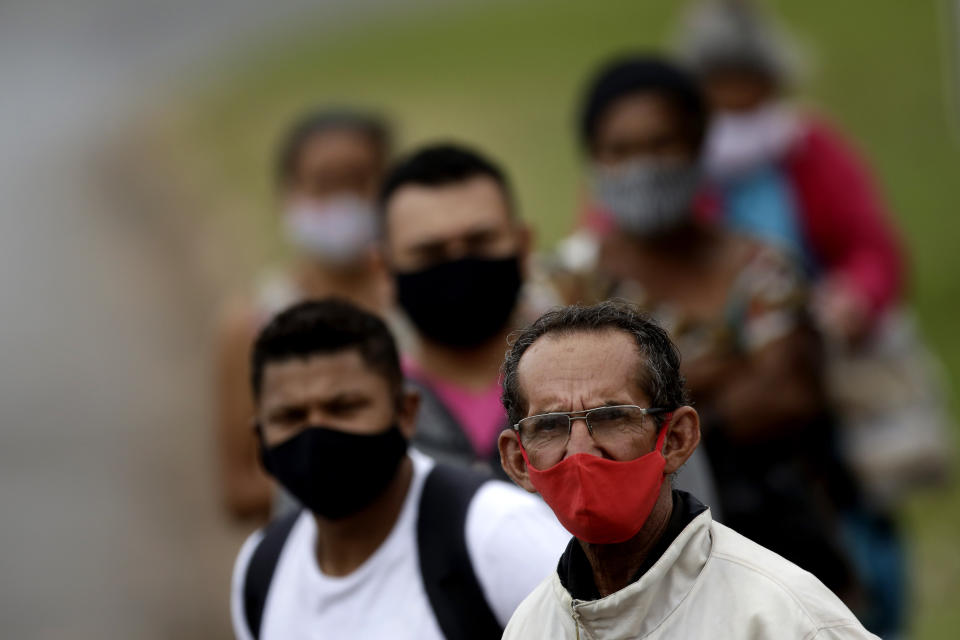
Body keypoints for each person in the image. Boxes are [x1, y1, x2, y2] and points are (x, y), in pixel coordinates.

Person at [562, 54, 863, 604]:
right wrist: (721, 372)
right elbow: (551, 411)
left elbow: (786, 396)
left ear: (700, 146)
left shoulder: (760, 270)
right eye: (620, 151)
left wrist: (626, 402)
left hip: (774, 549)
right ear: (594, 160)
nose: (642, 168)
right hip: (626, 574)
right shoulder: (564, 280)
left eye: (661, 145)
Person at [498, 301, 877, 639]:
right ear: (519, 461)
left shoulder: (783, 619)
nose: (579, 451)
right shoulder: (531, 626)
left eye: (612, 417)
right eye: (548, 425)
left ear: (676, 439)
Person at [378, 143, 719, 507]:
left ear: (523, 247)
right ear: (383, 270)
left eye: (480, 241)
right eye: (430, 253)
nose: (459, 265)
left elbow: (692, 538)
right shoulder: (365, 412)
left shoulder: (625, 380)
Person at [230, 299, 569, 640]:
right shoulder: (262, 568)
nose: (317, 433)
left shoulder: (499, 534)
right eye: (291, 417)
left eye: (344, 407)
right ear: (260, 436)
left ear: (406, 412)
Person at [215, 107, 393, 520]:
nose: (344, 201)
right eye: (325, 184)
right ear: (289, 193)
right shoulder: (251, 324)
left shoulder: (422, 306)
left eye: (360, 180)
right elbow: (238, 489)